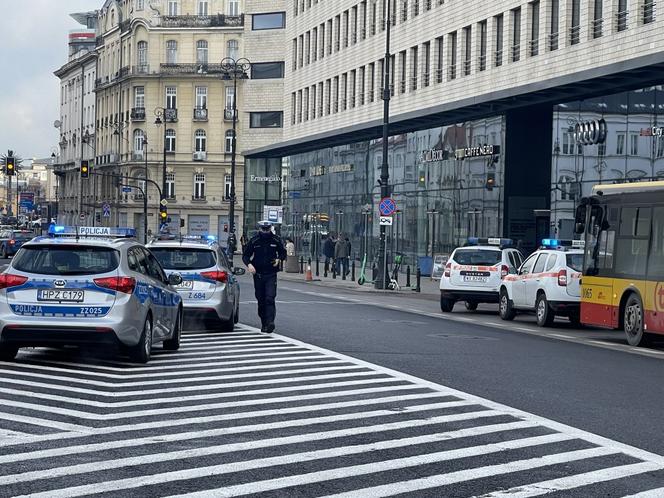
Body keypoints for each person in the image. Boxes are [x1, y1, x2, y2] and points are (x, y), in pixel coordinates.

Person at [242, 221, 287, 333]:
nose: (266, 231)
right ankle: (264, 322)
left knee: (270, 298)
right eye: (264, 229)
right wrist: (249, 265)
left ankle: (270, 322)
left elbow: (283, 253)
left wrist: (279, 259)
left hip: (271, 273)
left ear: (270, 228)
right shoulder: (254, 240)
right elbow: (246, 255)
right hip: (258, 274)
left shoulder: (276, 240)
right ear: (260, 229)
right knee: (261, 299)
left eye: (267, 229)